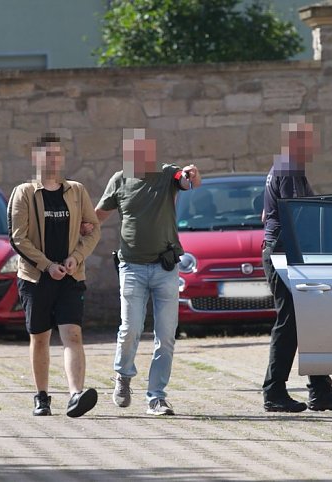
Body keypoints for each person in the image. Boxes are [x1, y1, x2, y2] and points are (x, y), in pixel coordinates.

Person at [95, 128, 200, 416]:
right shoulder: (120, 180)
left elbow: (189, 183)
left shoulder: (168, 174)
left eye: (147, 150)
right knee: (130, 328)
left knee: (166, 336)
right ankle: (123, 375)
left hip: (165, 267)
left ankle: (156, 397)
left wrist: (192, 175)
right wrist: (76, 231)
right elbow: (97, 216)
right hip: (132, 267)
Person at [261, 116, 332, 413]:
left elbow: (269, 215)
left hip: (287, 252)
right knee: (289, 323)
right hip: (283, 254)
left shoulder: (288, 167)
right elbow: (297, 215)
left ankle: (320, 391)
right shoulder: (288, 167)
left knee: (308, 320)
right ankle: (274, 392)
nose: (314, 145)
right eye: (309, 139)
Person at [7, 133, 101, 418]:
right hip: (37, 278)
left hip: (71, 276)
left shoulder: (76, 190)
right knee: (40, 337)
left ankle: (75, 396)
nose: (53, 160)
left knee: (72, 333)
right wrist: (47, 265)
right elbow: (18, 238)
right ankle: (42, 396)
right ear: (36, 158)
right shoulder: (23, 192)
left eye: (58, 154)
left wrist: (76, 258)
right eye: (47, 155)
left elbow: (93, 228)